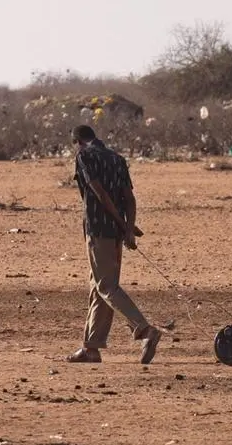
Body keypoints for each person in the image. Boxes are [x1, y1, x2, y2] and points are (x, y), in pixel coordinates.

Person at [65, 125, 161, 364]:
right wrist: (128, 228)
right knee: (98, 286)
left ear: (77, 141)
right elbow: (128, 197)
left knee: (106, 287)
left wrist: (123, 224)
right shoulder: (117, 159)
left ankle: (145, 329)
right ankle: (91, 348)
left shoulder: (84, 156)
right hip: (116, 233)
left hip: (99, 229)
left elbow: (99, 194)